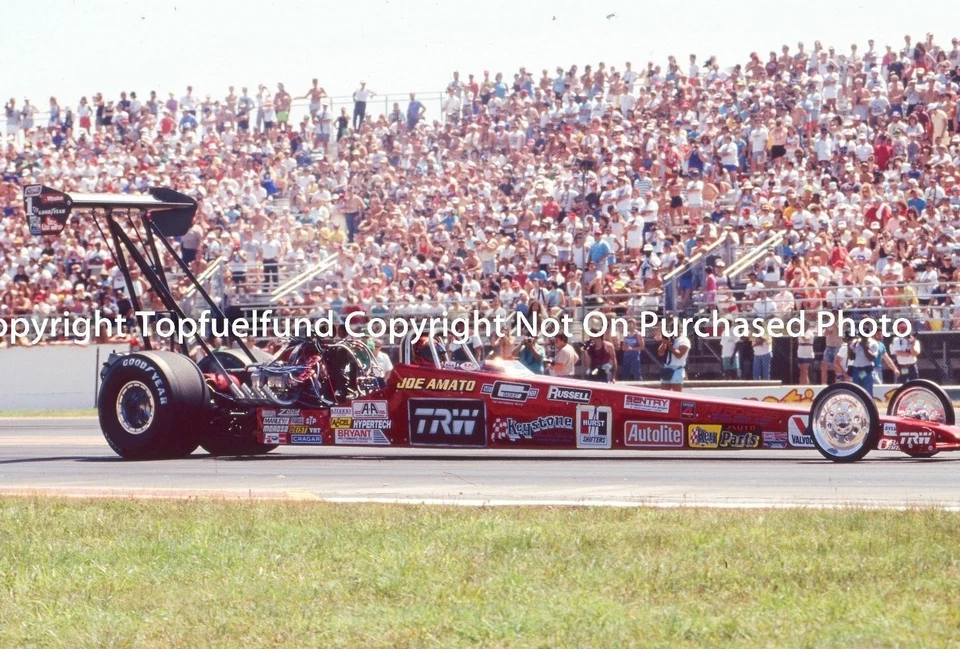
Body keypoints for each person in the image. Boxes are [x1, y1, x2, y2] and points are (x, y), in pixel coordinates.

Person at [657, 320, 690, 392]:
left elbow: (679, 355)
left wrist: (669, 345)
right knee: (664, 393)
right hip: (668, 367)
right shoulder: (671, 339)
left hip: (677, 368)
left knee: (676, 393)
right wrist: (664, 343)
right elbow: (660, 353)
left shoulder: (684, 340)